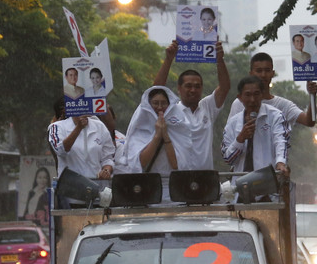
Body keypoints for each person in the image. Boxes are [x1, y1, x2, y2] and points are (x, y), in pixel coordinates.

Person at [152, 39, 230, 170]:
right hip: (179, 179)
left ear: (202, 88)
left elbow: (225, 87)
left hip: (206, 179)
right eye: (188, 86)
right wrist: (168, 59)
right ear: (179, 88)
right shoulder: (171, 110)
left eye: (197, 86)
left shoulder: (208, 107)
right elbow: (155, 91)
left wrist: (219, 60)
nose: (193, 90)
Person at [221, 75, 290, 177]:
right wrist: (240, 139)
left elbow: (280, 141)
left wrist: (280, 162)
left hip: (267, 183)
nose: (252, 100)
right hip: (240, 185)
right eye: (248, 95)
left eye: (256, 94)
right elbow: (228, 158)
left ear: (262, 95)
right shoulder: (233, 123)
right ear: (240, 97)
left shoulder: (276, 116)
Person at [229, 52, 317, 129]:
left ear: (273, 73)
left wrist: (312, 95)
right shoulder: (239, 104)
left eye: (267, 70)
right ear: (251, 74)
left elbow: (309, 122)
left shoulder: (283, 105)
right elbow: (229, 134)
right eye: (259, 71)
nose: (263, 75)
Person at [121, 87, 191, 175]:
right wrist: (157, 136)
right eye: (155, 103)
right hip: (148, 183)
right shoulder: (139, 128)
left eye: (164, 103)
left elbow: (176, 164)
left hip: (172, 182)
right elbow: (140, 163)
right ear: (148, 105)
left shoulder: (178, 127)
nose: (160, 107)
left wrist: (165, 135)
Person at [47, 113, 115, 180]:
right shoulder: (56, 127)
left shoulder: (100, 126)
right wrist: (78, 128)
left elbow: (108, 158)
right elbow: (60, 150)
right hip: (70, 186)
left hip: (96, 185)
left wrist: (106, 171)